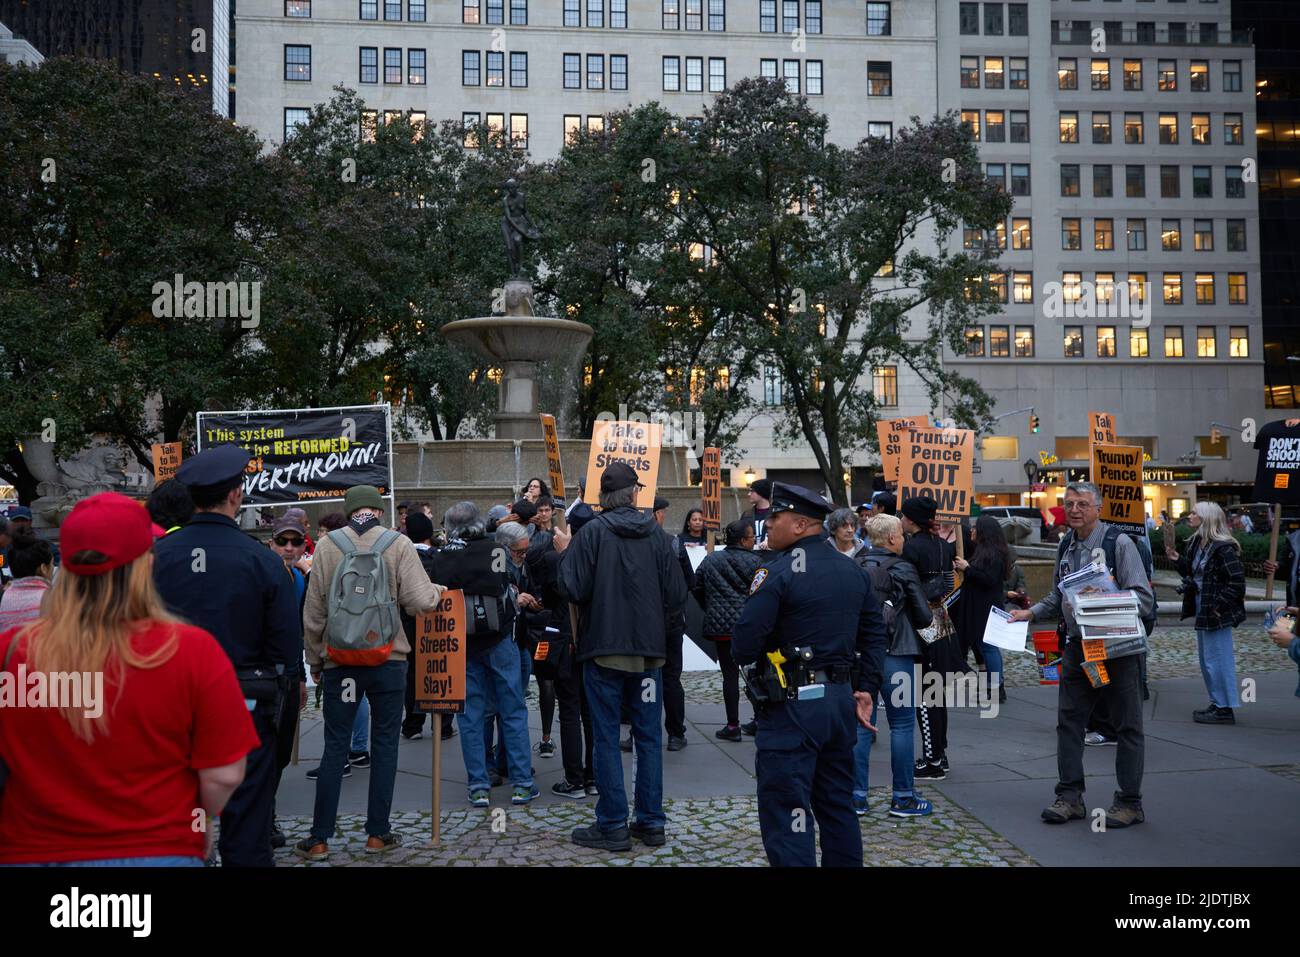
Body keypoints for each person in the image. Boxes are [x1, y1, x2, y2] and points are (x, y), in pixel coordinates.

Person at [0, 493, 259, 867]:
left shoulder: (12, 652)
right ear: (145, 564)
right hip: (158, 848)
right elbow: (223, 774)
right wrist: (197, 821)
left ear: (65, 567)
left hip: (32, 851)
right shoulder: (190, 650)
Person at [153, 445, 302, 867]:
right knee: (248, 825)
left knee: (177, 814)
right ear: (236, 495)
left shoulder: (155, 558)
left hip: (170, 701)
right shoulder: (263, 561)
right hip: (245, 702)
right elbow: (286, 651)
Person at [732, 482, 887, 867]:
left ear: (800, 524)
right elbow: (874, 634)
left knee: (788, 811)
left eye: (775, 517)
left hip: (792, 708)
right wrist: (865, 689)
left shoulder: (778, 572)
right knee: (837, 805)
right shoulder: (852, 571)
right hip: (837, 703)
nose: (768, 524)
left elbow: (744, 645)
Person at [295, 485, 444, 861]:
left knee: (335, 747)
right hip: (388, 662)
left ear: (349, 511)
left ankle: (319, 838)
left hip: (341, 663)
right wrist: (437, 590)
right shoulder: (398, 543)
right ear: (379, 510)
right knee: (384, 745)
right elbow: (419, 601)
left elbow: (313, 614)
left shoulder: (328, 547)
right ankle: (377, 834)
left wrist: (316, 662)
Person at [557, 462, 687, 851]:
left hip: (604, 651)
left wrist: (565, 552)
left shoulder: (592, 533)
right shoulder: (657, 535)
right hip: (648, 654)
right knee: (648, 737)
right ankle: (650, 822)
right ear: (633, 494)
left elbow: (571, 588)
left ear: (603, 497)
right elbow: (677, 595)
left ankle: (613, 823)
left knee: (606, 736)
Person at [1009, 482, 1154, 828]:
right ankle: (1070, 796)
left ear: (1098, 508)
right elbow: (1060, 596)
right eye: (1069, 503)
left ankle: (1130, 802)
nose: (1075, 509)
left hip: (1117, 650)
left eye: (1082, 504)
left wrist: (1099, 598)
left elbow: (1144, 599)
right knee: (1069, 723)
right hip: (1079, 649)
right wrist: (1030, 613)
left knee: (1127, 725)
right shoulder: (1065, 545)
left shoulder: (1119, 543)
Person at [428, 501, 536, 810]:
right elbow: (504, 585)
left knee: (471, 715)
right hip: (499, 639)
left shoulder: (442, 556)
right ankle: (522, 785)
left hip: (462, 642)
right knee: (513, 710)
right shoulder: (495, 551)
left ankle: (478, 785)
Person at [854, 513, 934, 817]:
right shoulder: (903, 567)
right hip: (897, 654)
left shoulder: (855, 566)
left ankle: (856, 797)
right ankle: (903, 797)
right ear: (890, 538)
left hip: (861, 656)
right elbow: (925, 617)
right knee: (901, 726)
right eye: (901, 534)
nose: (903, 539)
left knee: (860, 726)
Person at [900, 495, 961, 780]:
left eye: (903, 516)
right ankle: (941, 752)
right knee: (936, 689)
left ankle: (932, 759)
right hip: (941, 617)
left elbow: (907, 589)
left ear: (910, 520)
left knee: (924, 694)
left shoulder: (911, 548)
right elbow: (949, 583)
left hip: (921, 619)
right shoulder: (942, 545)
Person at [1169, 502, 1246, 724]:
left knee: (1218, 659)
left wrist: (1218, 605)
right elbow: (1193, 572)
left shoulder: (1223, 547)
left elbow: (1237, 583)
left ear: (1206, 518)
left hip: (1215, 609)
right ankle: (1217, 703)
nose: (1190, 516)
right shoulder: (1197, 543)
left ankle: (1224, 708)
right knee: (1207, 659)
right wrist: (1176, 559)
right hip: (1205, 605)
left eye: (1194, 513)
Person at [538, 508, 596, 797]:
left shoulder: (560, 557)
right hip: (590, 641)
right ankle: (592, 777)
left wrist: (563, 555)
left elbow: (559, 591)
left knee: (572, 710)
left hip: (569, 639)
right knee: (589, 711)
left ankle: (575, 779)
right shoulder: (601, 552)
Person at [693, 518, 762, 742]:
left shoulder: (712, 559)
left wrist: (711, 607)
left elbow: (697, 586)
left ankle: (732, 725)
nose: (754, 541)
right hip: (751, 625)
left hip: (721, 627)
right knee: (757, 673)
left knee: (729, 676)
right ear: (743, 540)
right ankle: (761, 718)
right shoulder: (757, 562)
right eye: (752, 537)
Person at [400, 511, 454, 742]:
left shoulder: (402, 557)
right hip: (439, 622)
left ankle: (413, 724)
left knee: (412, 673)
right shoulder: (442, 557)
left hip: (410, 622)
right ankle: (443, 725)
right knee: (441, 670)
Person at [953, 516, 1014, 704]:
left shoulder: (993, 554)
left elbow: (987, 579)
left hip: (985, 607)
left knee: (988, 647)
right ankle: (993, 685)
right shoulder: (986, 551)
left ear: (983, 532)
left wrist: (968, 568)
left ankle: (996, 687)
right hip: (980, 605)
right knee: (984, 646)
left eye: (974, 528)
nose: (971, 531)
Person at [652, 495, 692, 751]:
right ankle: (676, 733)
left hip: (647, 621)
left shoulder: (636, 543)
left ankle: (639, 730)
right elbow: (690, 581)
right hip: (671, 621)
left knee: (643, 678)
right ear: (656, 514)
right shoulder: (673, 544)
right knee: (671, 678)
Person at [0, 530, 54, 630]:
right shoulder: (53, 600)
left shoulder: (3, 598)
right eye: (51, 564)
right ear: (44, 569)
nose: (53, 568)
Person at [744, 478, 773, 547]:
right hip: (750, 556)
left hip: (771, 555)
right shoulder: (746, 515)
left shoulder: (776, 514)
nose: (748, 494)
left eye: (752, 491)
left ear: (761, 493)